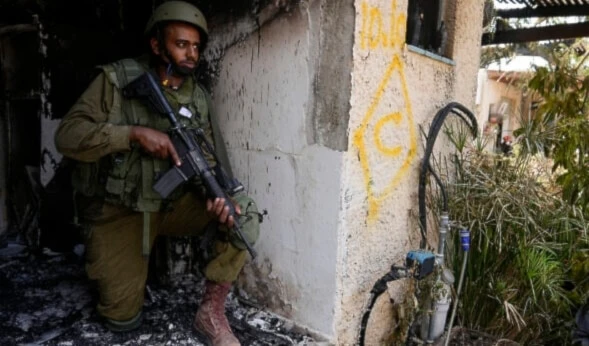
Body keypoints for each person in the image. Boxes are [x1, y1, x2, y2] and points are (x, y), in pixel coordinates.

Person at [54, 2, 260, 345]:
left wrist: (217, 197)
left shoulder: (198, 98)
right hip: (119, 210)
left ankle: (210, 313)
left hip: (170, 205)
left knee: (243, 212)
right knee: (121, 319)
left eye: (196, 46)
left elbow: (210, 161)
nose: (191, 54)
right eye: (181, 44)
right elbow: (67, 136)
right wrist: (131, 135)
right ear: (156, 45)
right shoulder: (116, 80)